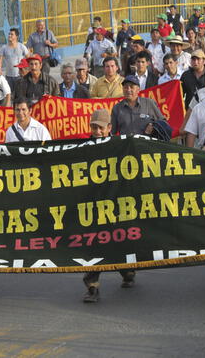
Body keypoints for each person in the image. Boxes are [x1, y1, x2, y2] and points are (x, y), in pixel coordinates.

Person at [82, 108, 136, 303]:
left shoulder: (120, 146)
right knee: (93, 246)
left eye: (100, 128)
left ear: (109, 128)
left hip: (116, 205)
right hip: (92, 206)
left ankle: (128, 271)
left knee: (118, 242)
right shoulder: (83, 147)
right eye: (94, 127)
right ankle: (92, 286)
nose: (97, 132)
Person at [0, 28, 29, 92]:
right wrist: (0, 70)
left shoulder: (22, 46)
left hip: (19, 76)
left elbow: (28, 58)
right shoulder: (4, 47)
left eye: (12, 34)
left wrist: (27, 70)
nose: (9, 35)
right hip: (9, 76)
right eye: (9, 34)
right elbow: (0, 59)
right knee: (10, 93)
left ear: (16, 36)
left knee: (20, 93)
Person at [181, 49, 205, 113]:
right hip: (190, 111)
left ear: (204, 61)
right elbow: (180, 94)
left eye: (198, 59)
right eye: (193, 59)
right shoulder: (185, 75)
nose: (195, 62)